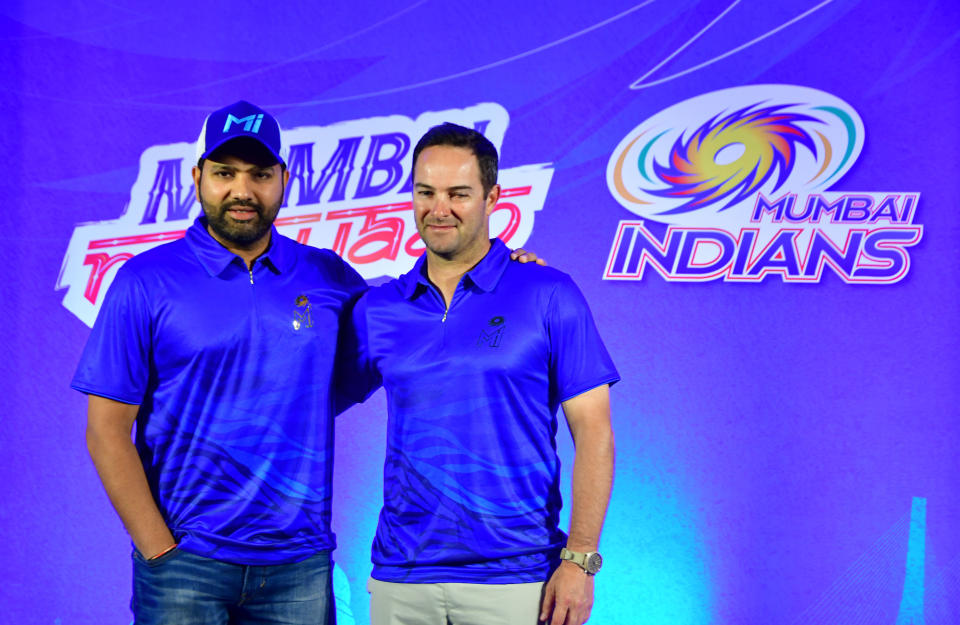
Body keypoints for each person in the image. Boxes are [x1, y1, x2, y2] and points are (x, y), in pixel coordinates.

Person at [71, 100, 366, 625]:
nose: (243, 191)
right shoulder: (146, 281)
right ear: (198, 176)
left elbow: (421, 317)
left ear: (284, 179)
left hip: (298, 565)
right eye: (225, 173)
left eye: (260, 174)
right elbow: (106, 430)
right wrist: (159, 550)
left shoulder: (328, 278)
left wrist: (509, 275)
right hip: (187, 563)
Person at [343, 123, 619, 625]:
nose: (438, 209)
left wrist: (580, 560)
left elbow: (595, 432)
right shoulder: (378, 309)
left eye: (458, 194)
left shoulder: (547, 292)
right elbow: (306, 403)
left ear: (492, 197)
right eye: (425, 192)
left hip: (518, 578)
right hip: (401, 577)